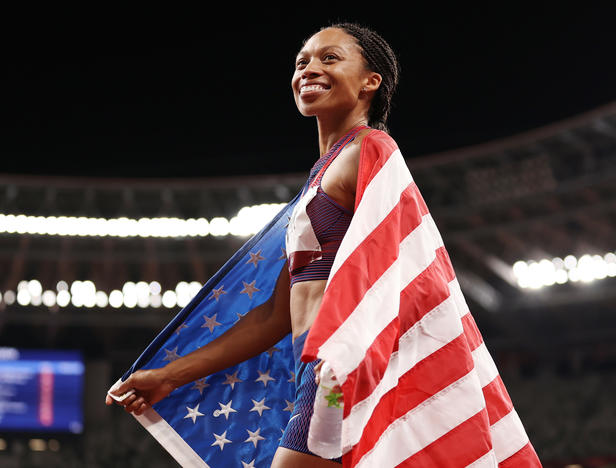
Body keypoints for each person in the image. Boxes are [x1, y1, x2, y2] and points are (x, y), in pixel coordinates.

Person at [106, 22, 400, 468]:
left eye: (329, 58)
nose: (309, 69)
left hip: (343, 372)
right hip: (315, 373)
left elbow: (402, 265)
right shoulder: (321, 177)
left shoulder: (370, 150)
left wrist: (349, 356)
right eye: (301, 62)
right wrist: (169, 376)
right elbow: (278, 314)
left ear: (370, 81)